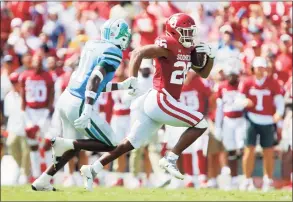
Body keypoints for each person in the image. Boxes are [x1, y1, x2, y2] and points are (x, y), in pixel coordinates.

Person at [81, 13, 215, 191]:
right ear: (174, 32)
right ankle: (171, 158)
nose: (189, 36)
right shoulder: (169, 45)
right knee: (200, 123)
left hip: (158, 101)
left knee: (131, 142)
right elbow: (138, 52)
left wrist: (211, 57)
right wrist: (133, 79)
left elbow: (204, 74)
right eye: (185, 32)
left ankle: (92, 169)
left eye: (191, 32)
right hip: (161, 98)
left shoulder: (187, 49)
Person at [31, 18, 134, 191]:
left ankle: (43, 180)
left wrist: (121, 86)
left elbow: (93, 81)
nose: (126, 39)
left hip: (66, 98)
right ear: (117, 35)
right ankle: (64, 146)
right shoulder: (113, 51)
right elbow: (94, 79)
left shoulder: (93, 44)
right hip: (78, 103)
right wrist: (87, 109)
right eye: (124, 35)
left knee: (70, 147)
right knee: (112, 143)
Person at [239, 57, 285, 192]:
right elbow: (239, 98)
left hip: (267, 120)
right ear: (253, 68)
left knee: (268, 151)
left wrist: (279, 113)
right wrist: (244, 101)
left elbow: (279, 100)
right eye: (258, 67)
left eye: (262, 67)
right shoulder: (247, 82)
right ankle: (247, 179)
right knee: (249, 150)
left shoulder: (273, 83)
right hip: (252, 118)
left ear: (266, 68)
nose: (260, 70)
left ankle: (268, 180)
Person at [19, 54, 55, 182]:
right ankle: (36, 174)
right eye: (36, 61)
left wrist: (45, 117)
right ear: (31, 62)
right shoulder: (25, 75)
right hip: (30, 112)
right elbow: (23, 99)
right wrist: (27, 119)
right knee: (33, 145)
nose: (38, 63)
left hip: (43, 112)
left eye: (40, 61)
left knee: (46, 144)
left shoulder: (48, 76)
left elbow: (51, 97)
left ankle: (49, 175)